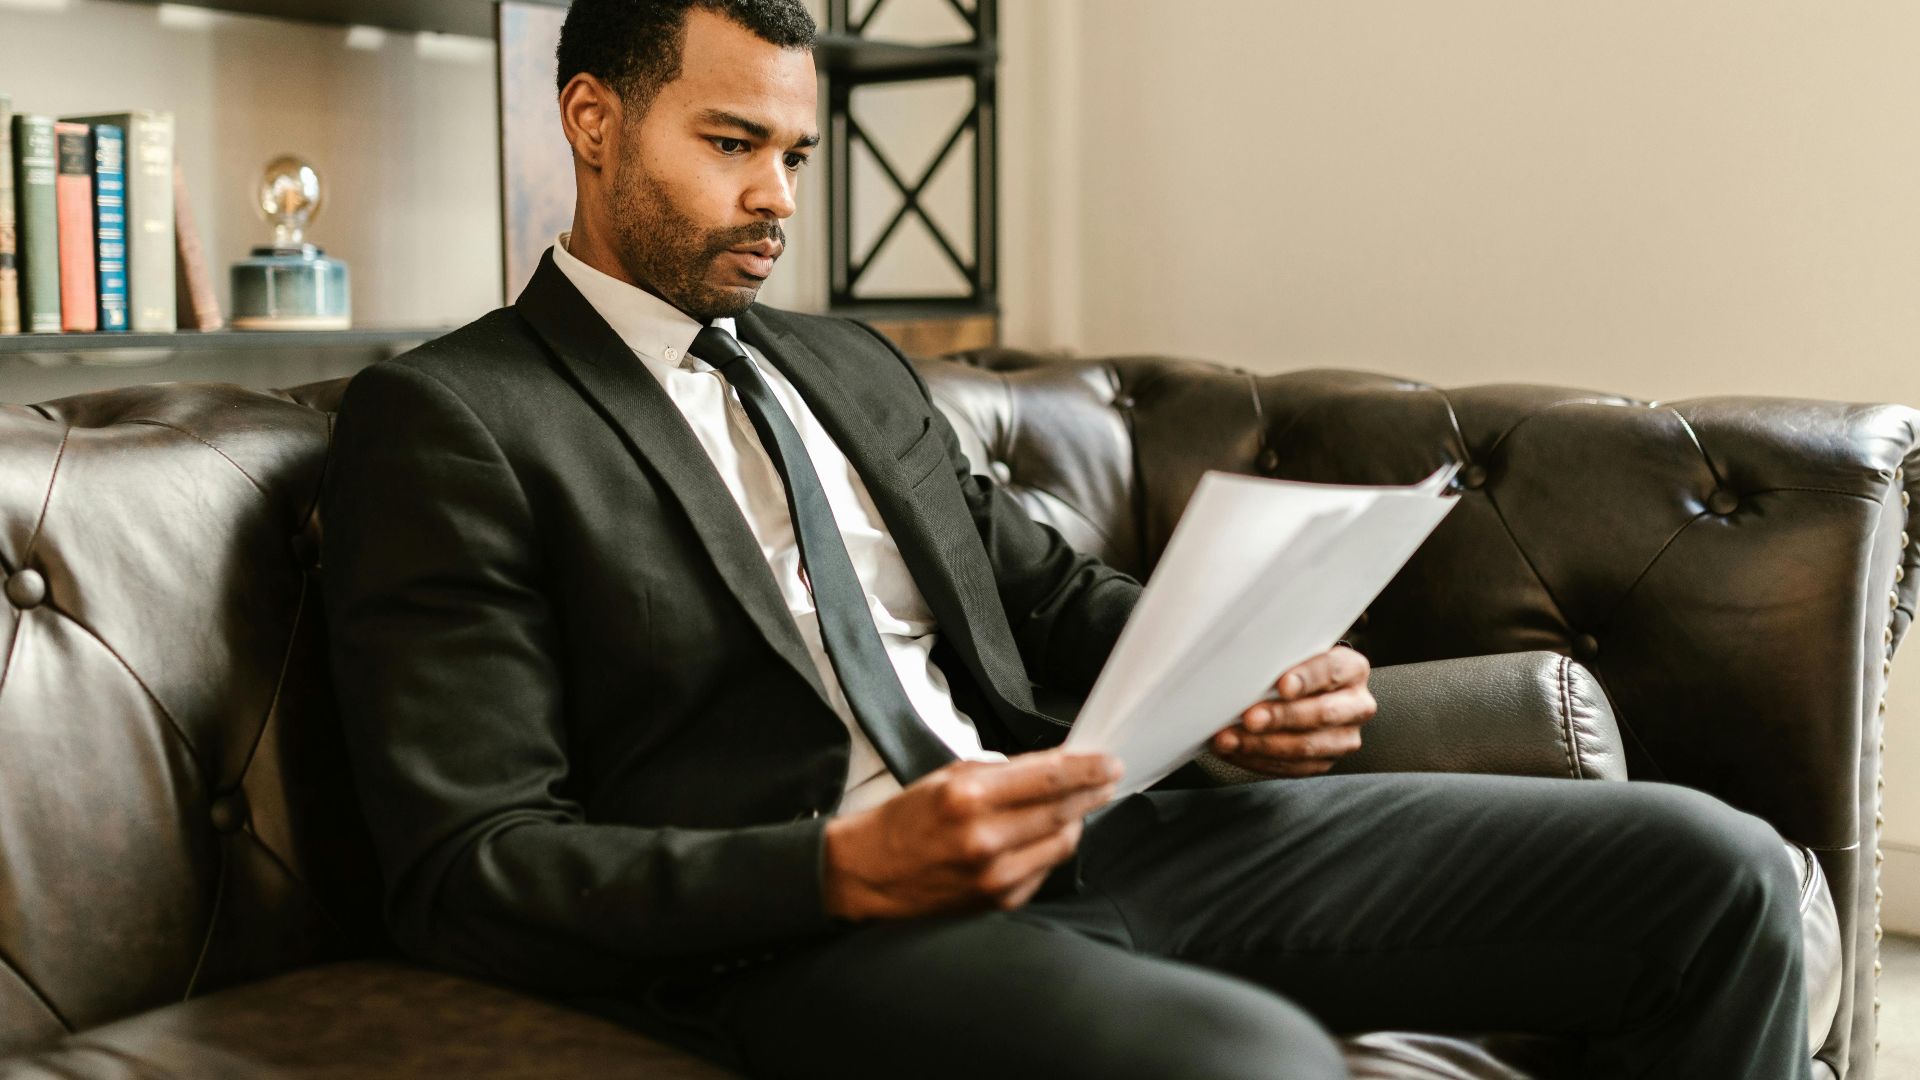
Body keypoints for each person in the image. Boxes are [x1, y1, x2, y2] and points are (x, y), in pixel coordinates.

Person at [319, 2, 1811, 1076]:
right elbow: (473, 866)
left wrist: (1234, 675)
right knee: (1252, 1064)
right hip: (825, 935)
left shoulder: (844, 364)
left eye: (795, 151)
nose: (775, 199)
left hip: (1108, 834)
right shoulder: (455, 417)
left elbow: (1053, 599)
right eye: (730, 143)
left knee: (1715, 870)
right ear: (592, 121)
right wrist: (838, 868)